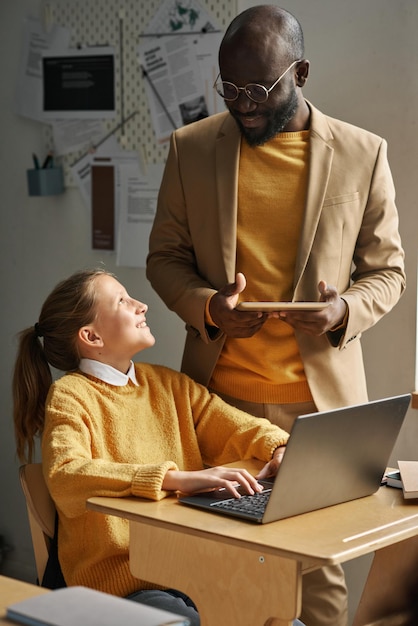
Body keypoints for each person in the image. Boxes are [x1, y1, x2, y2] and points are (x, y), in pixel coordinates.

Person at [146, 5, 406, 626]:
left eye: (260, 89)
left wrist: (343, 309)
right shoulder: (190, 149)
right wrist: (209, 307)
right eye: (230, 89)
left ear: (303, 71)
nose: (244, 104)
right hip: (218, 399)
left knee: (316, 573)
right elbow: (165, 261)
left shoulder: (362, 153)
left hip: (320, 410)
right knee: (217, 567)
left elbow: (389, 273)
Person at [12, 268, 307, 626]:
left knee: (285, 620)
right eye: (122, 300)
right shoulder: (71, 396)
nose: (142, 305)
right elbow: (65, 475)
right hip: (123, 584)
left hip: (195, 572)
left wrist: (279, 447)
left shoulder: (168, 385)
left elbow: (238, 426)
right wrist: (174, 479)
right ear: (90, 336)